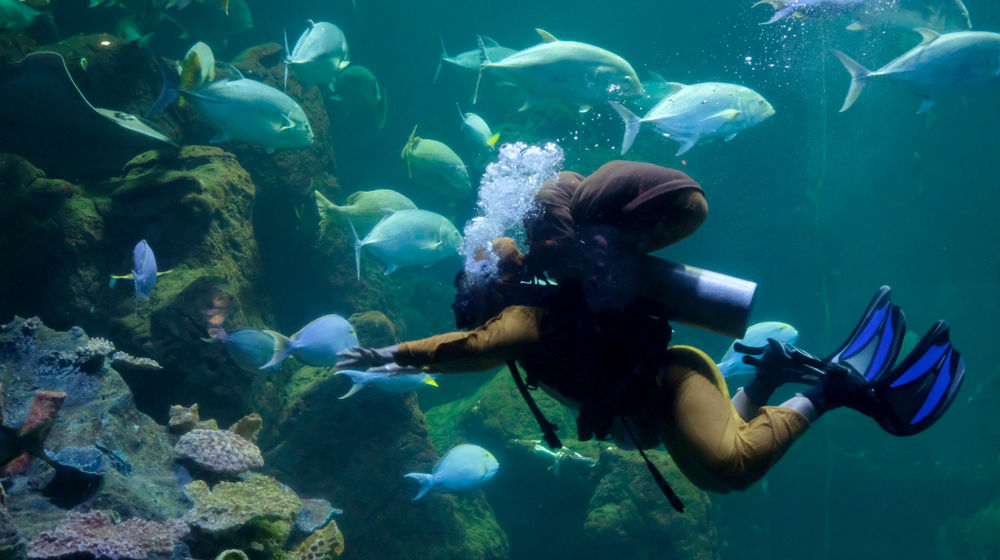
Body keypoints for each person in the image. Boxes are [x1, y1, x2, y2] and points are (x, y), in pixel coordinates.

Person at [338, 160, 965, 507]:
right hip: (653, 405)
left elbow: (470, 349)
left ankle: (829, 389)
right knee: (716, 467)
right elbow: (475, 347)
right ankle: (770, 378)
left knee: (730, 466)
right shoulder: (539, 307)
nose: (469, 314)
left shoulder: (526, 318)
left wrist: (390, 354)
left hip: (673, 381)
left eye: (470, 304)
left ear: (487, 296)